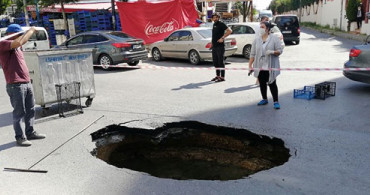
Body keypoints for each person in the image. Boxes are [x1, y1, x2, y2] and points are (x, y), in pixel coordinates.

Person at [0, 24, 46, 146]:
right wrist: (31, 30)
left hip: (26, 82)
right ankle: (20, 137)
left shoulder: (18, 47)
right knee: (19, 112)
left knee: (30, 110)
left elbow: (21, 42)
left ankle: (30, 132)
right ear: (13, 34)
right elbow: (20, 42)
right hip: (15, 85)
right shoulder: (4, 44)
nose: (22, 36)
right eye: (20, 34)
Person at [248, 22, 283, 110]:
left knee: (272, 83)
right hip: (260, 66)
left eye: (262, 27)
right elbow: (252, 54)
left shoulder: (274, 38)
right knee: (262, 83)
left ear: (267, 28)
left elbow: (280, 51)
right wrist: (250, 66)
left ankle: (276, 101)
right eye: (260, 27)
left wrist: (272, 52)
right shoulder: (257, 40)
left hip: (270, 65)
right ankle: (264, 99)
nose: (260, 28)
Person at [211, 12, 232, 82]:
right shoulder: (214, 24)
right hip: (214, 46)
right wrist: (212, 43)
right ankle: (218, 76)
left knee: (220, 61)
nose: (216, 18)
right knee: (215, 62)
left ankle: (222, 77)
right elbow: (214, 35)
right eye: (214, 17)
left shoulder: (221, 24)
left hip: (220, 46)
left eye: (217, 17)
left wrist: (222, 38)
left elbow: (229, 31)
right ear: (212, 18)